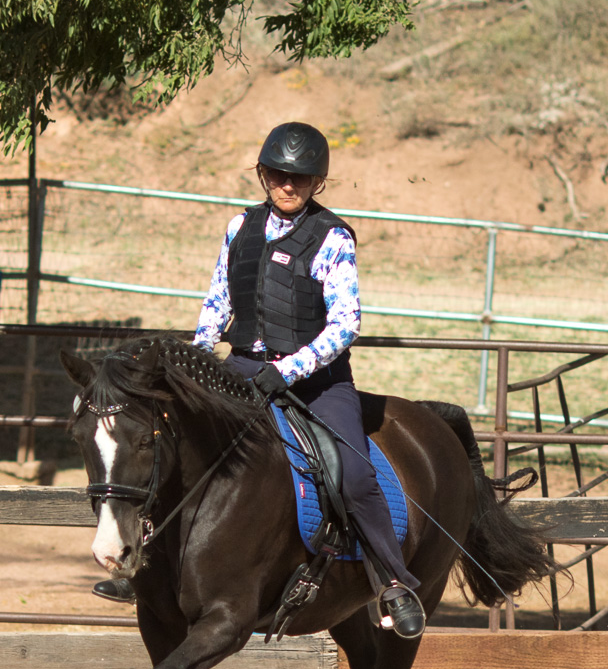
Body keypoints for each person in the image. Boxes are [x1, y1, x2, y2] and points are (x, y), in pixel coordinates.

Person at [95, 121, 424, 639]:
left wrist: (287, 370)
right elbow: (217, 304)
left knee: (352, 474)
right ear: (263, 174)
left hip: (317, 380)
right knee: (171, 445)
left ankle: (393, 581)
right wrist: (196, 364)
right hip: (244, 366)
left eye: (301, 178)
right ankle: (141, 566)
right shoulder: (239, 228)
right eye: (278, 175)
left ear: (318, 183)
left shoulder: (333, 237)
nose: (288, 185)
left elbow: (345, 324)